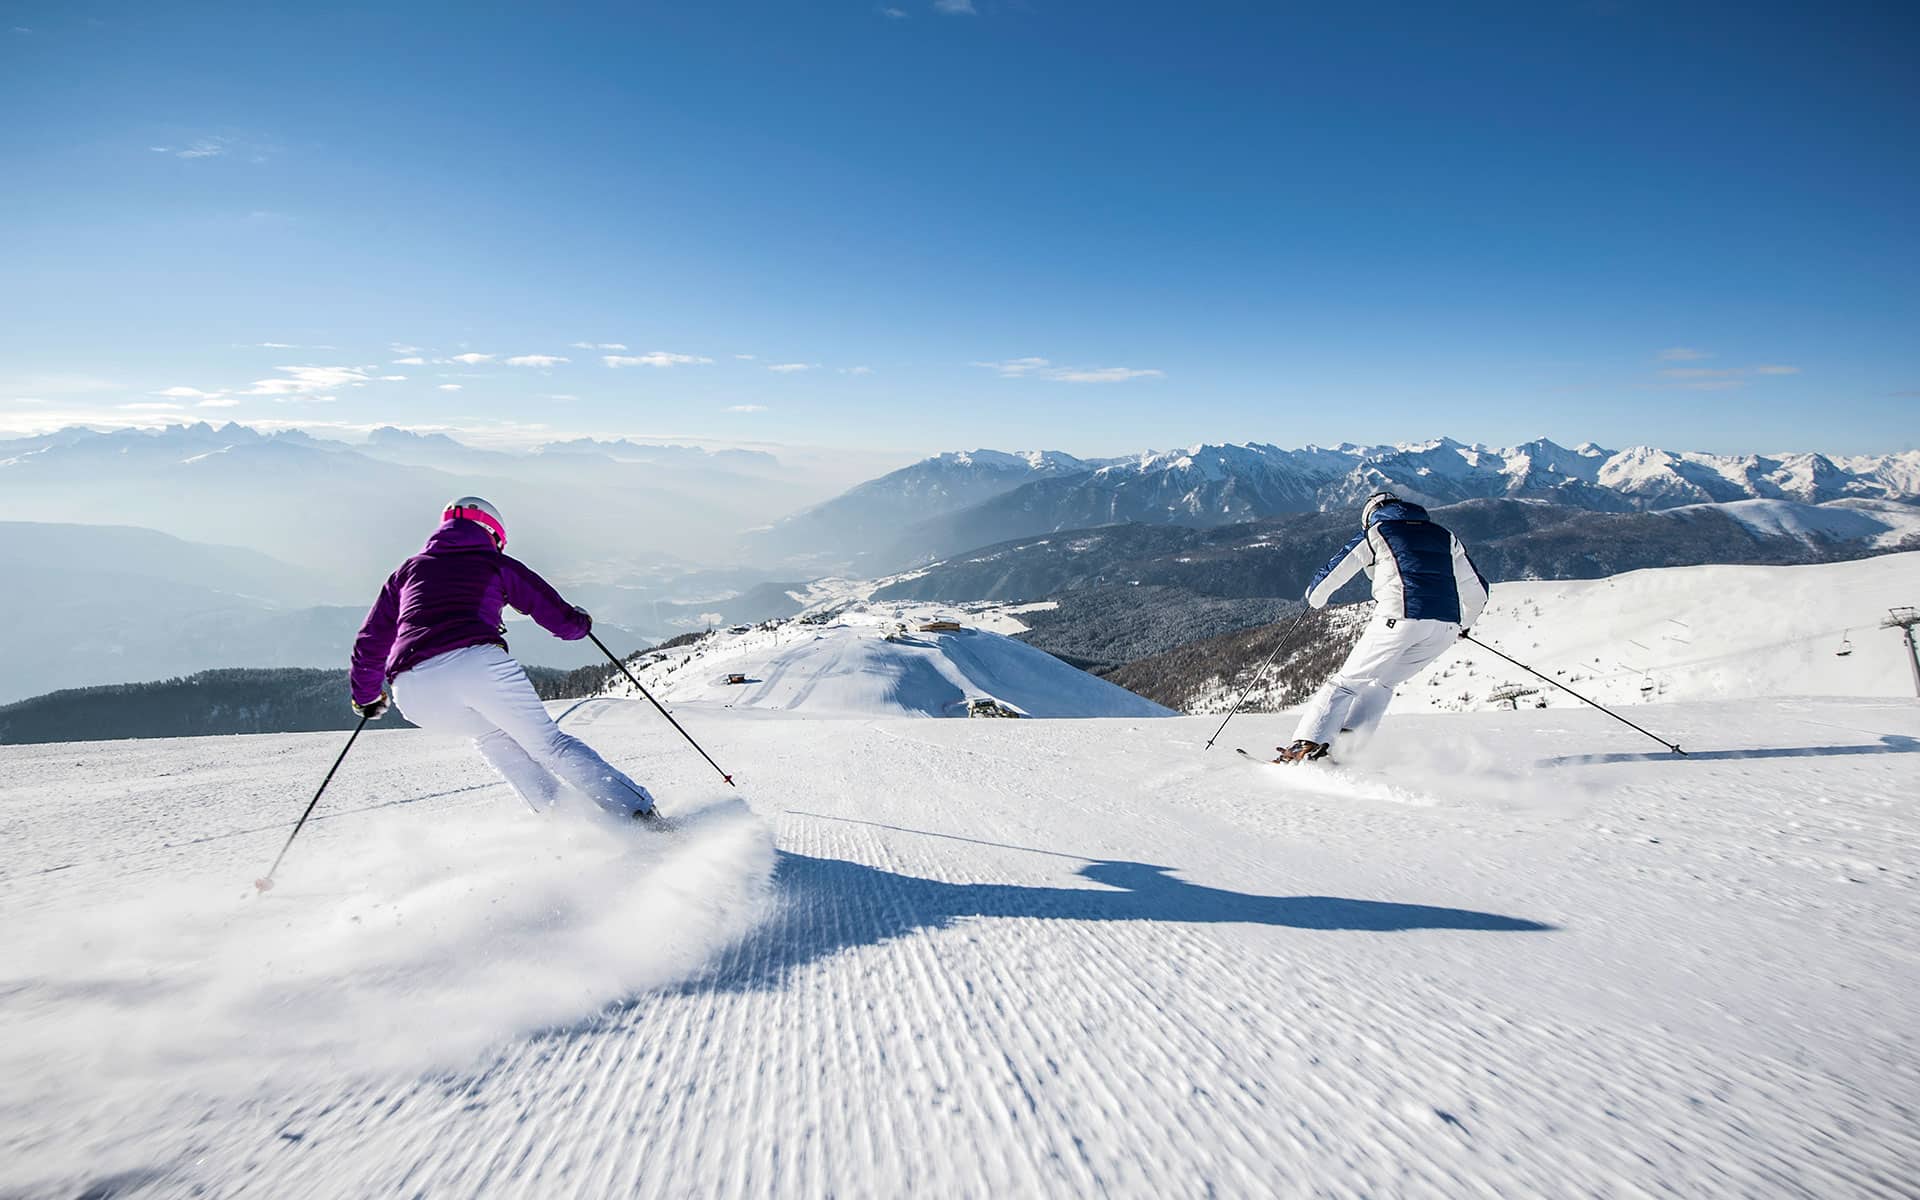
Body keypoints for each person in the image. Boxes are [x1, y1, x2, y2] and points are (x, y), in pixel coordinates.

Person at [349, 496, 659, 821]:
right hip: (475, 665)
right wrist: (580, 623)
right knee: (549, 745)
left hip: (412, 691)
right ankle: (640, 814)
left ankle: (569, 824)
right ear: (491, 533)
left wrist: (367, 697)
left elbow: (371, 640)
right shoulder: (492, 562)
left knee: (492, 736)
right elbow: (554, 614)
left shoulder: (408, 571)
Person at [1276, 491, 1489, 764]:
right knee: (1382, 683)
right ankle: (1345, 751)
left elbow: (1332, 573)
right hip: (1445, 628)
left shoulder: (1376, 533)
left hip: (1399, 618)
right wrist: (1464, 625)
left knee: (1344, 684)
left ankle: (1305, 747)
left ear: (1369, 516)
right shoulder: (1446, 536)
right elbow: (1478, 593)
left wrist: (1315, 599)